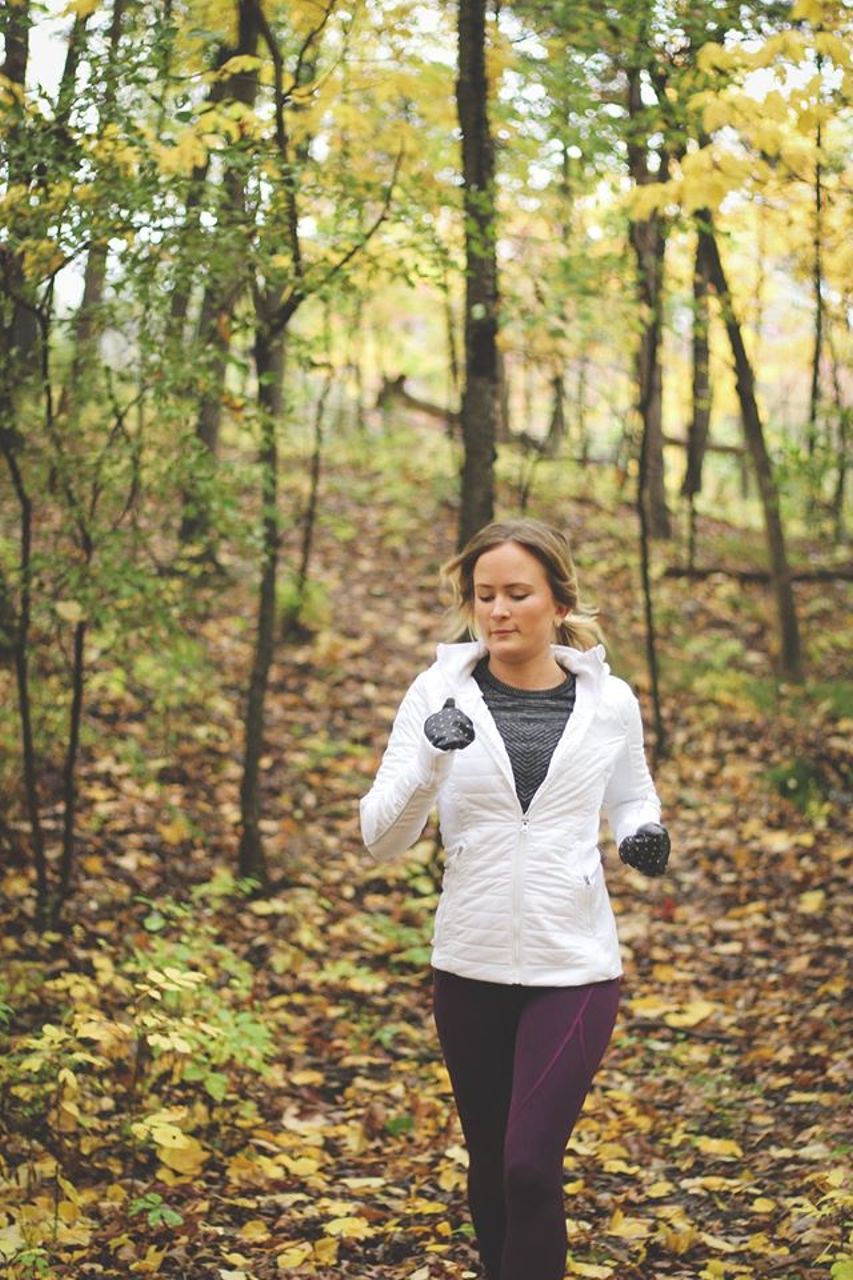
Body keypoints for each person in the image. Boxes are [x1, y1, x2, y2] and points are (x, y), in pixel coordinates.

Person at [359, 518, 669, 1280]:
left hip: (573, 965)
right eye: (483, 595)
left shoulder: (609, 701)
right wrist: (432, 754)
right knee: (492, 1165)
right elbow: (380, 837)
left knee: (529, 1165)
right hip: (467, 962)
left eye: (516, 594)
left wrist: (642, 835)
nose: (496, 611)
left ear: (558, 603)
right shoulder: (437, 694)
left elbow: (632, 799)